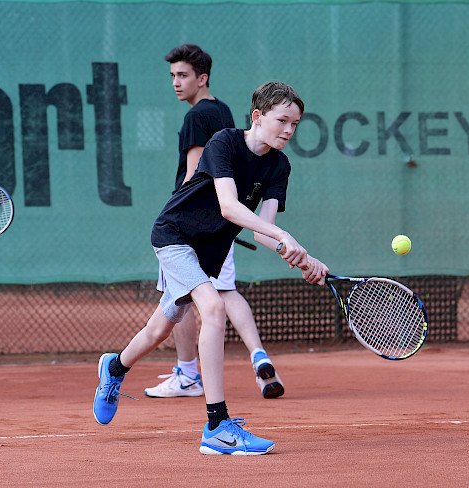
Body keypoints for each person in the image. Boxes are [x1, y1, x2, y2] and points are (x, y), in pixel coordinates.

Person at [93, 82, 328, 455]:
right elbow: (231, 209)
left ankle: (115, 367)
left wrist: (302, 256)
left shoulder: (279, 165)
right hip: (174, 236)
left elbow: (264, 231)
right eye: (282, 119)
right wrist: (284, 235)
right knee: (214, 307)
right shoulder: (224, 142)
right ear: (258, 116)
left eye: (295, 124)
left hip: (207, 253)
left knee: (158, 328)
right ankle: (217, 425)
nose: (288, 129)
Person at [144, 43, 284, 400]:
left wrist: (196, 215)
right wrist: (229, 214)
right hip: (226, 219)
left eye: (183, 75)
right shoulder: (223, 112)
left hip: (196, 224)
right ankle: (257, 354)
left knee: (180, 300)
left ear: (201, 78)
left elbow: (194, 174)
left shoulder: (195, 117)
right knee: (224, 291)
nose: (176, 82)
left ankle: (188, 372)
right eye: (173, 75)